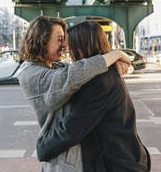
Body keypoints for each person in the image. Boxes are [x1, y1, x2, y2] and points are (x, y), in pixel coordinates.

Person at [17, 16, 131, 171]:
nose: (65, 46)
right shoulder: (31, 74)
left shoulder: (53, 66)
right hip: (63, 159)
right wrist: (116, 54)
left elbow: (82, 68)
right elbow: (77, 72)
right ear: (42, 40)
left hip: (67, 154)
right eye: (60, 39)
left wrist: (112, 61)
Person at [36, 20, 151, 172]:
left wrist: (43, 148)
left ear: (84, 45)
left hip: (118, 164)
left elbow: (73, 127)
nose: (68, 50)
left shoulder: (100, 82)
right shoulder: (104, 73)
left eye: (71, 45)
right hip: (125, 156)